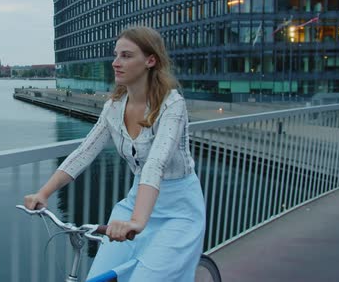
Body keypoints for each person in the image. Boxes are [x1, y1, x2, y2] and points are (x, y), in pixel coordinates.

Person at [24, 26, 205, 281]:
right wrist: (43, 192)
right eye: (115, 54)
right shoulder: (114, 107)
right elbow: (84, 152)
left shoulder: (172, 104)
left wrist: (138, 222)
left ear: (150, 61)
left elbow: (155, 164)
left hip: (178, 209)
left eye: (126, 56)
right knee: (99, 277)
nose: (115, 62)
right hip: (135, 202)